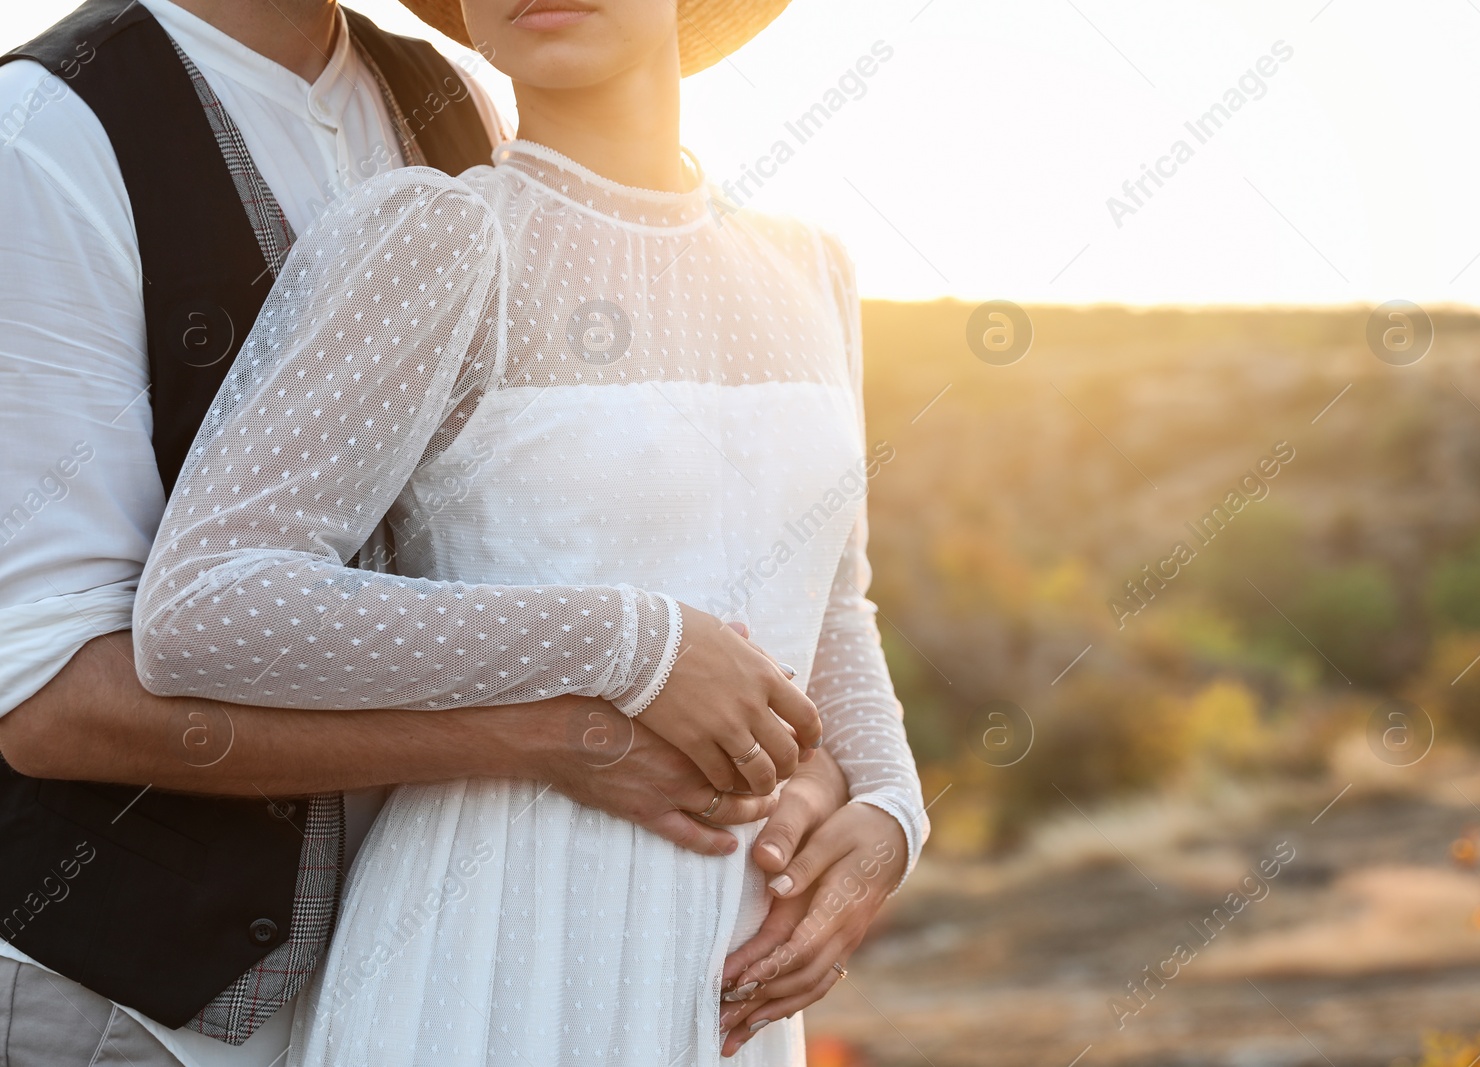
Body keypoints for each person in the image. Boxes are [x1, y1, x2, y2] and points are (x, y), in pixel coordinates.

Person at [0, 2, 872, 1065]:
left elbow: (586, 522)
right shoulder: (41, 130)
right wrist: (566, 723)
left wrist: (847, 788)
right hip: (137, 1003)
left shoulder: (444, 93)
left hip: (459, 940)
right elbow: (51, 699)